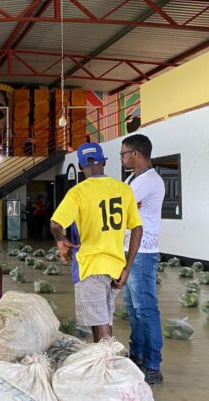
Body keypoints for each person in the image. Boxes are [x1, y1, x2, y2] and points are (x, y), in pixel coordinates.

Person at [49, 143, 143, 343]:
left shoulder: (78, 192)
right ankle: (103, 362)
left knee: (101, 327)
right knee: (102, 320)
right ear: (104, 162)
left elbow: (55, 224)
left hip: (91, 266)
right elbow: (137, 228)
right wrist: (127, 267)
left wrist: (61, 241)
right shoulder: (123, 189)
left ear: (81, 166)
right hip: (116, 266)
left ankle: (107, 365)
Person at [120, 134, 165, 385]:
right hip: (129, 251)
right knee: (133, 306)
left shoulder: (149, 181)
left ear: (136, 154)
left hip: (143, 253)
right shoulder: (132, 178)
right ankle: (137, 353)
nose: (122, 157)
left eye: (124, 153)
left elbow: (122, 205)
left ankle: (152, 364)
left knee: (145, 307)